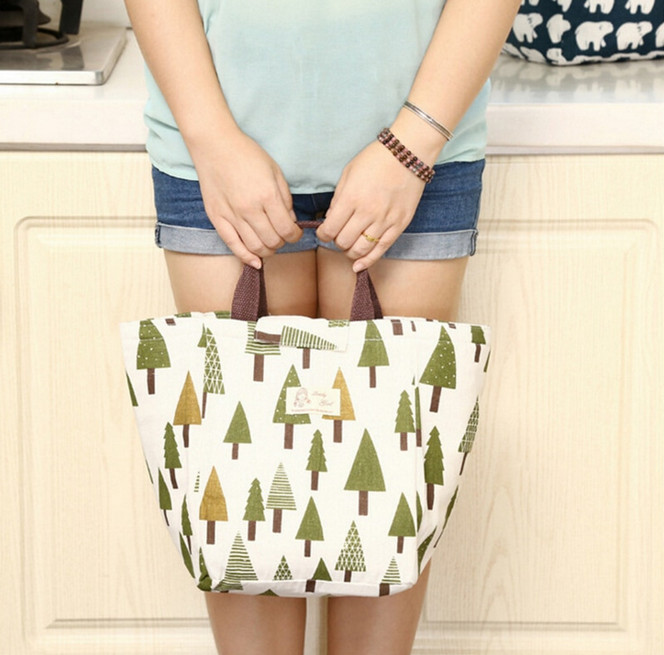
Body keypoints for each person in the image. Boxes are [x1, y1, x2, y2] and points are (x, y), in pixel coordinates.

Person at [124, 0, 521, 653]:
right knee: (242, 508)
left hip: (420, 150)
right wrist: (212, 139)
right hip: (213, 149)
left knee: (386, 502)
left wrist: (411, 146)